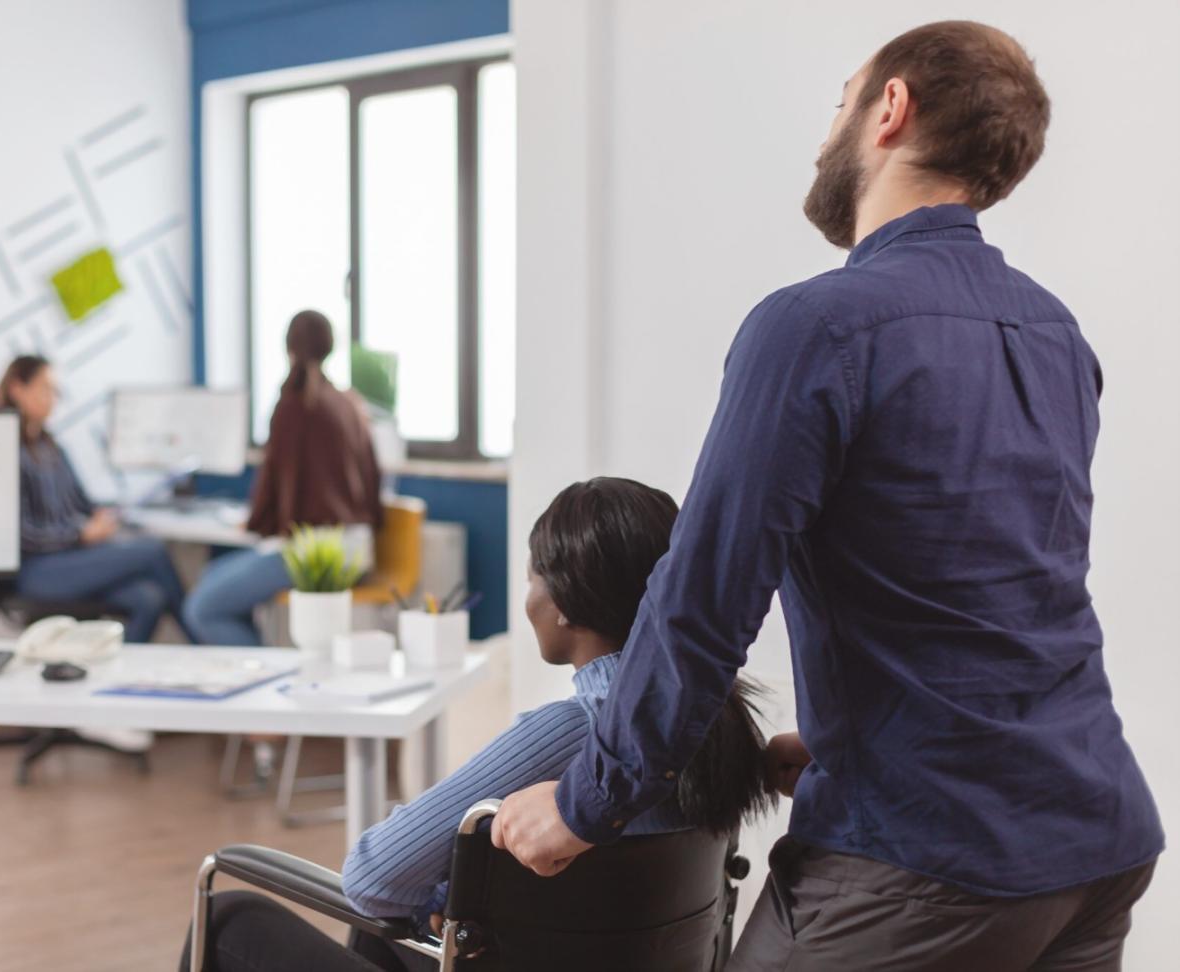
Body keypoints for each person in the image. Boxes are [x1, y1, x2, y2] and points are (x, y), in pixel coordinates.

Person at [491, 21, 1163, 972]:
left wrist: (585, 801)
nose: (826, 133)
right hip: (1094, 841)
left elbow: (704, 597)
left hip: (925, 861)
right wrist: (855, 726)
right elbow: (1005, 588)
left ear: (890, 108)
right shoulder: (1054, 330)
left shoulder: (817, 327)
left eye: (841, 98)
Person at [180, 477, 774, 971]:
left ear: (563, 604)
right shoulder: (717, 721)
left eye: (532, 578)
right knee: (381, 933)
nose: (529, 597)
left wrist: (435, 897)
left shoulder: (572, 733)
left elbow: (371, 878)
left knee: (232, 911)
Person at [182, 310, 382, 646]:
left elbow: (275, 486)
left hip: (317, 552)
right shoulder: (349, 403)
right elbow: (372, 481)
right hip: (355, 547)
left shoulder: (294, 406)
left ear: (289, 349)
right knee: (212, 575)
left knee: (203, 608)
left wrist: (255, 523)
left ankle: (260, 676)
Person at [0, 355, 186, 644]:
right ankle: (202, 638)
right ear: (17, 389)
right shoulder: (6, 450)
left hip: (69, 558)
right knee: (152, 551)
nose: (53, 398)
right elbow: (19, 534)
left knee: (148, 598)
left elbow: (82, 502)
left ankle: (117, 681)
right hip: (38, 571)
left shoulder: (50, 447)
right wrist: (80, 535)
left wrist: (102, 516)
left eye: (56, 391)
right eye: (45, 388)